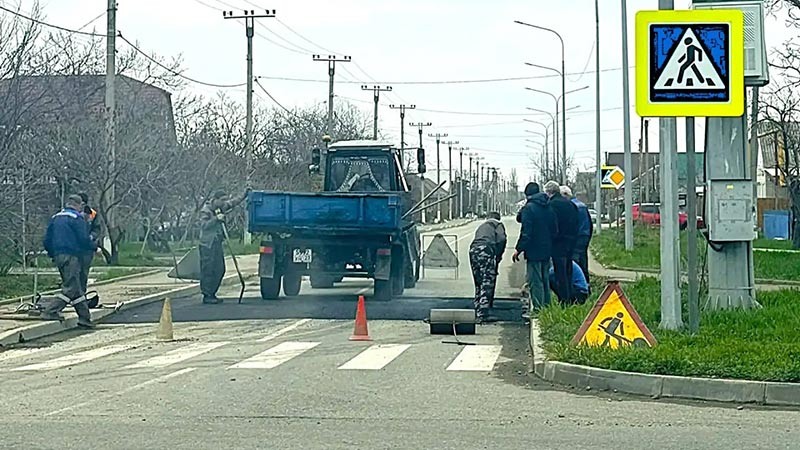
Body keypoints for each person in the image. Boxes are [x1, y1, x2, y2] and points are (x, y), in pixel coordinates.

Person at [41, 194, 97, 327]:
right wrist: (94, 247)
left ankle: (85, 319)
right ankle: (51, 311)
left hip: (58, 256)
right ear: (79, 205)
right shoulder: (76, 219)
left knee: (76, 288)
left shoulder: (55, 218)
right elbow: (83, 239)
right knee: (70, 288)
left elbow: (47, 240)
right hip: (72, 256)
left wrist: (52, 254)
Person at [512, 182, 558, 314]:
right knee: (545, 280)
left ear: (527, 195)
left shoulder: (529, 208)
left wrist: (518, 249)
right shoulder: (549, 206)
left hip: (533, 250)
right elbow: (555, 229)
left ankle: (537, 311)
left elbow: (526, 232)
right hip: (547, 249)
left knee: (535, 281)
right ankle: (547, 309)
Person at [198, 188, 249, 304]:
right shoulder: (206, 211)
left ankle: (213, 292)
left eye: (225, 200)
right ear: (215, 200)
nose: (224, 202)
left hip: (217, 244)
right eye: (222, 200)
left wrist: (244, 194)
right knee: (208, 270)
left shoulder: (220, 208)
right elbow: (203, 225)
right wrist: (216, 219)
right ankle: (207, 295)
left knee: (220, 269)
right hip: (207, 245)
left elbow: (233, 202)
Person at [544, 180, 579, 305]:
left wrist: (552, 238)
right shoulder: (570, 204)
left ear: (548, 192)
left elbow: (552, 225)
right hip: (571, 242)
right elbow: (577, 223)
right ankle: (571, 296)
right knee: (568, 270)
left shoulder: (552, 205)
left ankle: (564, 300)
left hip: (558, 243)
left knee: (560, 273)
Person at [468, 211, 507, 322]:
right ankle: (484, 313)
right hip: (486, 250)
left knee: (478, 280)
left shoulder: (483, 225)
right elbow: (502, 239)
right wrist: (498, 255)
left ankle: (477, 307)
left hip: (473, 250)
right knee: (487, 280)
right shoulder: (498, 225)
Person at [560, 186, 593, 284]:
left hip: (576, 237)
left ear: (565, 195)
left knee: (574, 263)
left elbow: (571, 224)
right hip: (585, 236)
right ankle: (586, 285)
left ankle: (577, 287)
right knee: (583, 261)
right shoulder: (582, 205)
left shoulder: (571, 206)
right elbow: (590, 224)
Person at [77, 192, 102, 298]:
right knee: (72, 273)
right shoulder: (72, 213)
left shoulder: (92, 214)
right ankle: (74, 295)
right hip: (74, 248)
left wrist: (92, 236)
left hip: (87, 249)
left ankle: (81, 295)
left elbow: (97, 228)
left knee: (83, 273)